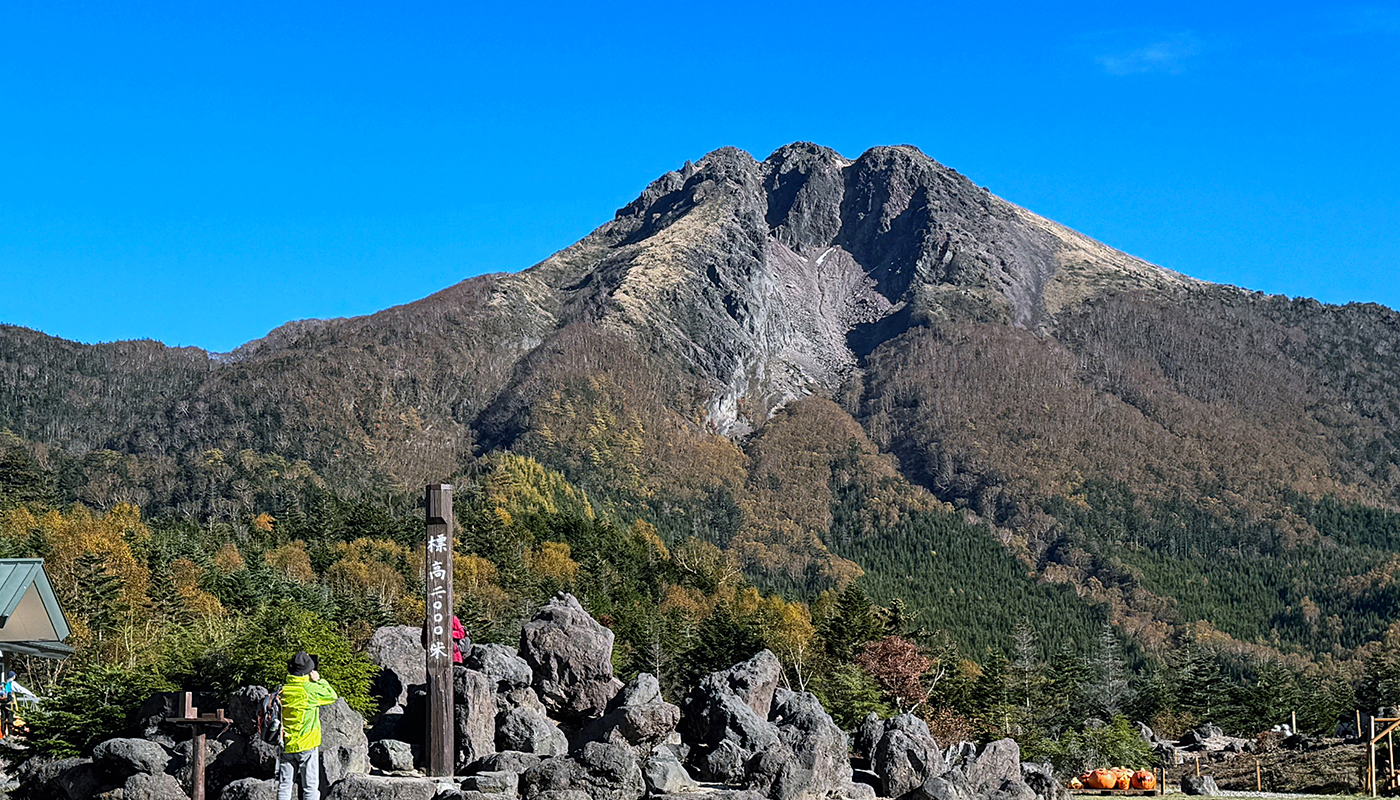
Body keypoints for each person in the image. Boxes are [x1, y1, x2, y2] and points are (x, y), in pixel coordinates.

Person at [277, 652, 338, 800]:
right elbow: (332, 695)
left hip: (286, 744)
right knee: (310, 787)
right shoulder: (310, 689)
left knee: (285, 785)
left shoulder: (283, 690)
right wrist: (319, 680)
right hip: (307, 743)